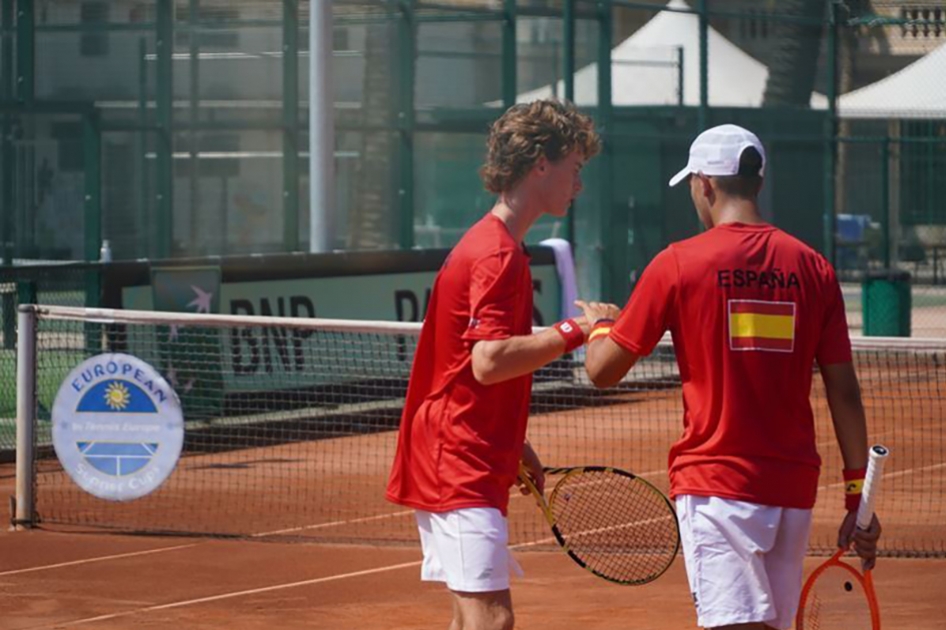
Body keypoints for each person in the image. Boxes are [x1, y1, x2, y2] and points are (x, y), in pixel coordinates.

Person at [576, 124, 882, 630]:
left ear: (704, 185)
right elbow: (844, 391)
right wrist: (857, 500)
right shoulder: (814, 269)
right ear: (758, 183)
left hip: (716, 487)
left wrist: (598, 325)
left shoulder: (677, 264)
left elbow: (602, 372)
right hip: (791, 492)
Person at [386, 99, 601, 630]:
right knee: (491, 620)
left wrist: (514, 442)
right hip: (456, 458)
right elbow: (487, 361)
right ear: (540, 163)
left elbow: (470, 361)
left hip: (465, 452)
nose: (578, 185)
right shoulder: (497, 255)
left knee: (470, 620)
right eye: (574, 169)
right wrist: (579, 331)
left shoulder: (500, 247)